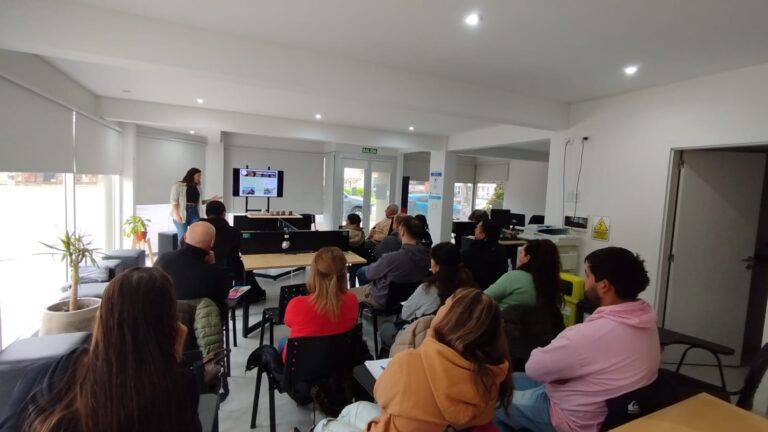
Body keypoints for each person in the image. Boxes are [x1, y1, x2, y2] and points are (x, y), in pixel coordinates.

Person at [0, 267, 201, 432]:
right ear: (167, 324)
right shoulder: (176, 388)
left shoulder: (55, 371)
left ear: (104, 316)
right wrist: (173, 359)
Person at [494, 247, 660, 432]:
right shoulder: (646, 321)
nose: (584, 282)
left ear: (603, 285)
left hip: (574, 417)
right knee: (512, 379)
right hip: (615, 409)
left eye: (587, 275)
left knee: (489, 403)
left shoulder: (588, 335)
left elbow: (534, 368)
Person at [314, 288, 512, 432]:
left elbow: (381, 395)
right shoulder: (494, 377)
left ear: (450, 320)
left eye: (446, 305)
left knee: (325, 425)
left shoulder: (411, 361)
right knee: (352, 410)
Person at [379, 242, 475, 351]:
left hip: (422, 340)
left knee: (386, 328)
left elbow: (405, 314)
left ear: (437, 265)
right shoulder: (468, 287)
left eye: (432, 259)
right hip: (455, 342)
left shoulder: (428, 288)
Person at [276, 247, 359, 359]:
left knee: (282, 342)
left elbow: (288, 323)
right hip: (336, 362)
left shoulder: (296, 304)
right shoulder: (352, 299)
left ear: (314, 272)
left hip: (300, 367)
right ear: (344, 273)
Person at [352, 216, 430, 308]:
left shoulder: (392, 258)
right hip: (408, 299)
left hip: (381, 298)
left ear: (402, 232)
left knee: (346, 294)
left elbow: (370, 274)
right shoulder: (427, 256)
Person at [155, 221, 230, 313]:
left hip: (166, 318)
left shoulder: (163, 259)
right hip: (204, 323)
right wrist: (213, 265)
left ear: (185, 237)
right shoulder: (216, 273)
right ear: (212, 243)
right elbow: (223, 296)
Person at [201, 200, 266, 301]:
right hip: (229, 270)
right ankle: (254, 294)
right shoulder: (233, 232)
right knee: (245, 268)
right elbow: (244, 251)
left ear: (206, 213)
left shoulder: (196, 229)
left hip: (202, 271)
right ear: (223, 214)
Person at [484, 239, 560, 310]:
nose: (519, 256)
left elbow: (483, 298)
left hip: (504, 322)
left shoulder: (514, 277)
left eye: (521, 253)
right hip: (535, 323)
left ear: (527, 258)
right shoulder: (551, 283)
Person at [170, 167, 222, 244]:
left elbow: (199, 202)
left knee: (198, 234)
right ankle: (182, 255)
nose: (200, 178)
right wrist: (177, 215)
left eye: (200, 176)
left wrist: (211, 199)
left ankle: (194, 254)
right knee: (183, 237)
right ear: (192, 175)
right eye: (198, 175)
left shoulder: (197, 187)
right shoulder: (178, 185)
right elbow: (174, 202)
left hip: (194, 212)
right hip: (181, 212)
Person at [462, 219, 509, 289]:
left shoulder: (474, 250)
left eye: (477, 228)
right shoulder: (501, 249)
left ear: (483, 234)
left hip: (474, 291)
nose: (475, 230)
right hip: (496, 290)